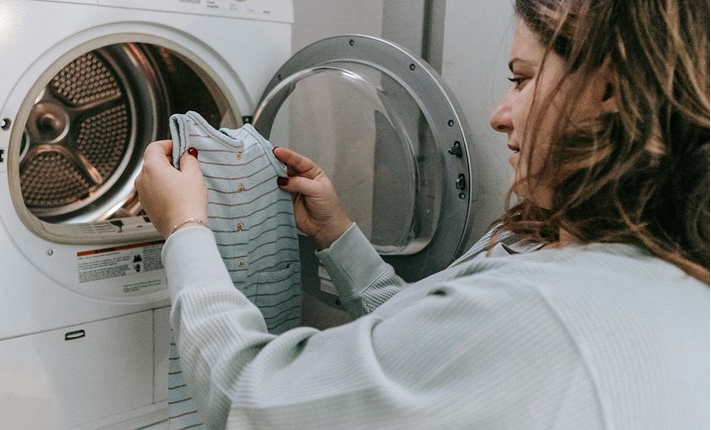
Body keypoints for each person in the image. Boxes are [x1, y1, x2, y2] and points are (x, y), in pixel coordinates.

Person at [134, 0, 709, 428]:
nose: (499, 115)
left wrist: (187, 229)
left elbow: (249, 398)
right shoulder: (653, 268)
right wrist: (339, 236)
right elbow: (430, 345)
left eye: (523, 78)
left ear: (609, 85)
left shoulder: (542, 309)